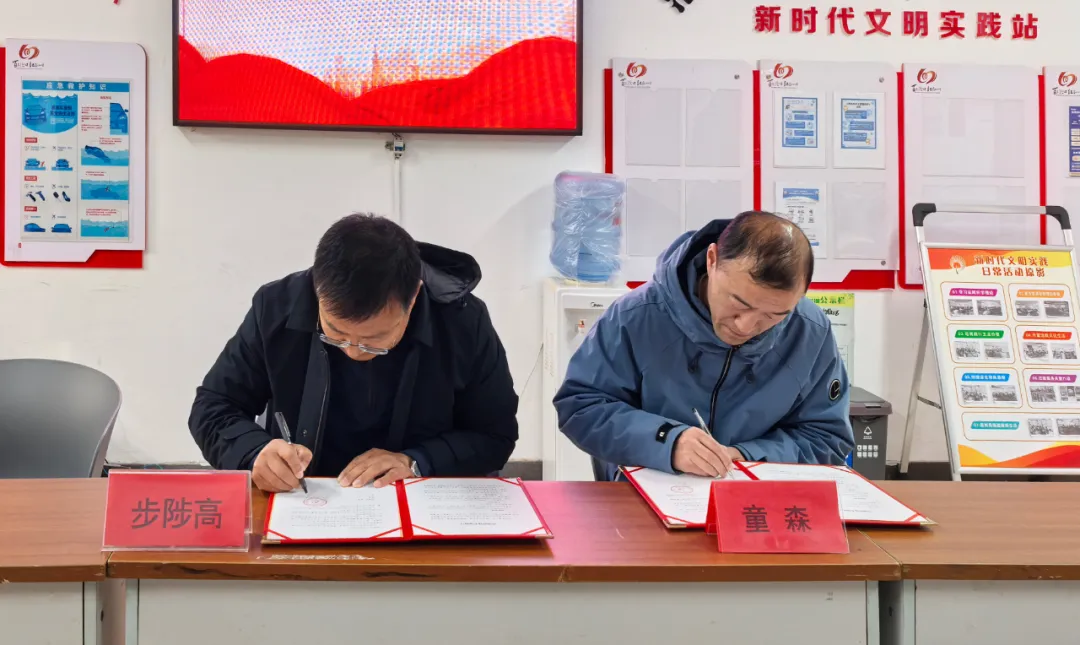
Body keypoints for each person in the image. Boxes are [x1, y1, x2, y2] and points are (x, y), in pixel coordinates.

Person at [190, 213, 519, 492]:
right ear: (318, 290)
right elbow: (214, 405)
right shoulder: (277, 307)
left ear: (414, 297)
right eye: (335, 334)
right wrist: (255, 452)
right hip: (308, 496)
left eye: (375, 340)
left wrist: (417, 461)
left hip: (416, 498)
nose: (353, 352)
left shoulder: (462, 322)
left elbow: (495, 434)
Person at [554, 211, 853, 481]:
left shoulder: (809, 332)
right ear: (712, 260)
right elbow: (581, 407)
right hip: (640, 502)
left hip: (758, 504)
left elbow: (827, 438)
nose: (746, 327)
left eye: (774, 315)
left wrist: (747, 456)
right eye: (738, 302)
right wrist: (666, 440)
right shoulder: (637, 316)